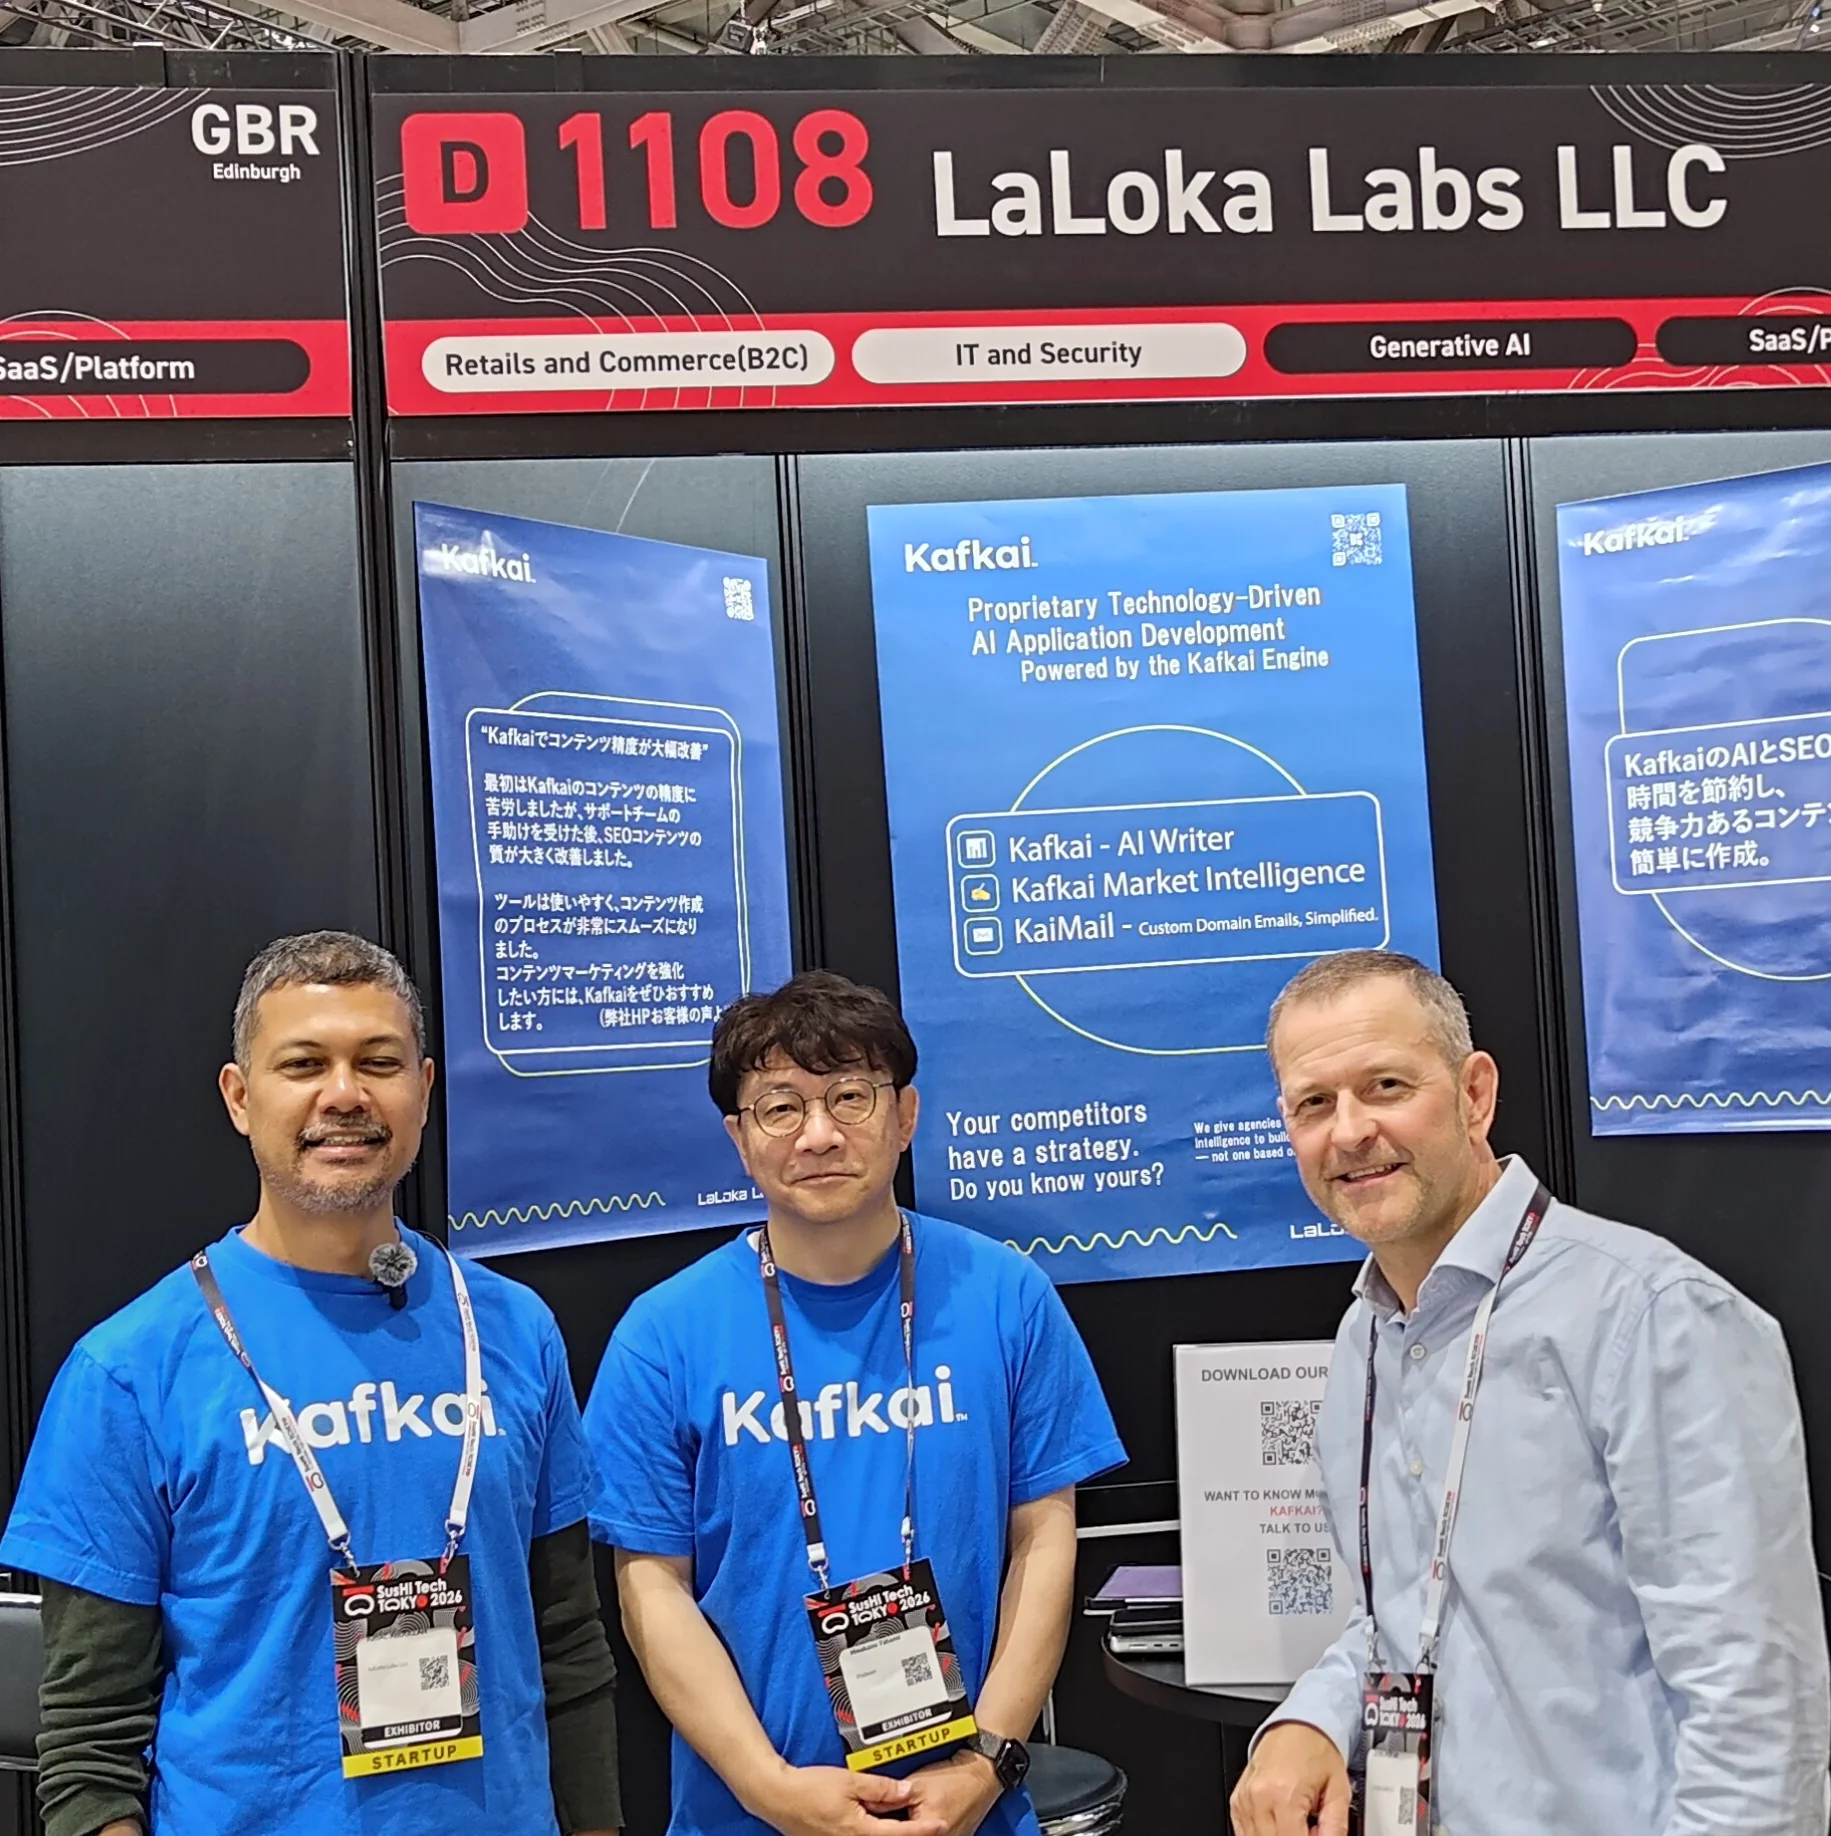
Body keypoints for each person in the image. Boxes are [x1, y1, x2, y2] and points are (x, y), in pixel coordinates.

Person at [0, 931, 621, 1836]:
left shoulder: (515, 1331)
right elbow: (91, 1739)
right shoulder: (130, 1371)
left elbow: (568, 1647)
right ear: (239, 1097)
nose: (344, 1094)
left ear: (424, 1089)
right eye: (303, 1064)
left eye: (379, 1062)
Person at [1230, 949, 1830, 1836]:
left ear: (1474, 1094)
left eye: (1386, 1086)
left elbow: (1753, 1706)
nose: (1349, 1132)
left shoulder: (1652, 1316)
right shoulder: (1366, 1336)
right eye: (1313, 1103)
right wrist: (1310, 1719)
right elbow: (1403, 1619)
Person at [584, 969, 1125, 1836]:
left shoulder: (1005, 1297)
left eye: (849, 1096)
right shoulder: (663, 1335)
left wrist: (986, 1764)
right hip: (747, 1815)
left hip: (969, 1810)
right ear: (739, 1139)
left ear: (905, 1116)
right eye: (780, 1107)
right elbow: (651, 1587)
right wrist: (767, 1787)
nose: (819, 1134)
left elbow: (1043, 1540)